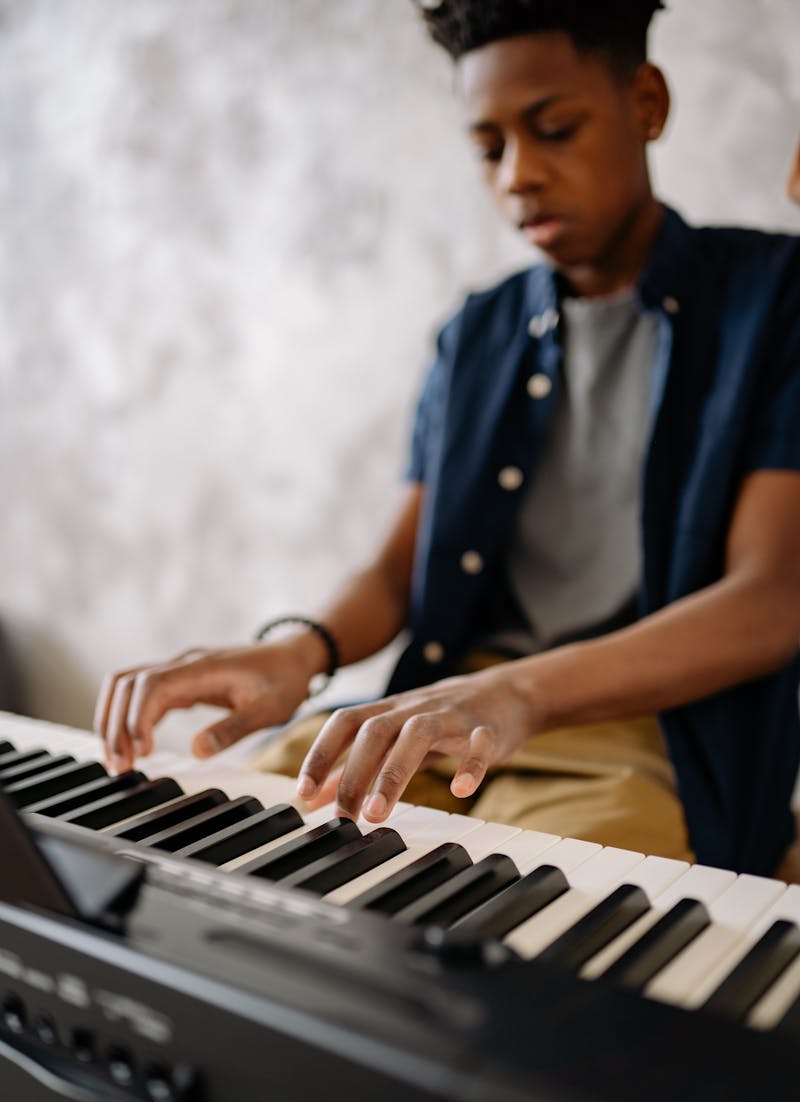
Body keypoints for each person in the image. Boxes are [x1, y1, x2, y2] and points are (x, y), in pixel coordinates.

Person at [95, 0, 800, 878]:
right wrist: (298, 652)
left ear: (647, 104)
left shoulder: (775, 299)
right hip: (441, 715)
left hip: (634, 738)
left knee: (534, 955)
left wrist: (519, 691)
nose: (519, 176)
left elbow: (773, 600)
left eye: (554, 129)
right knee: (194, 851)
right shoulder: (475, 333)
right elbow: (399, 571)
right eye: (489, 147)